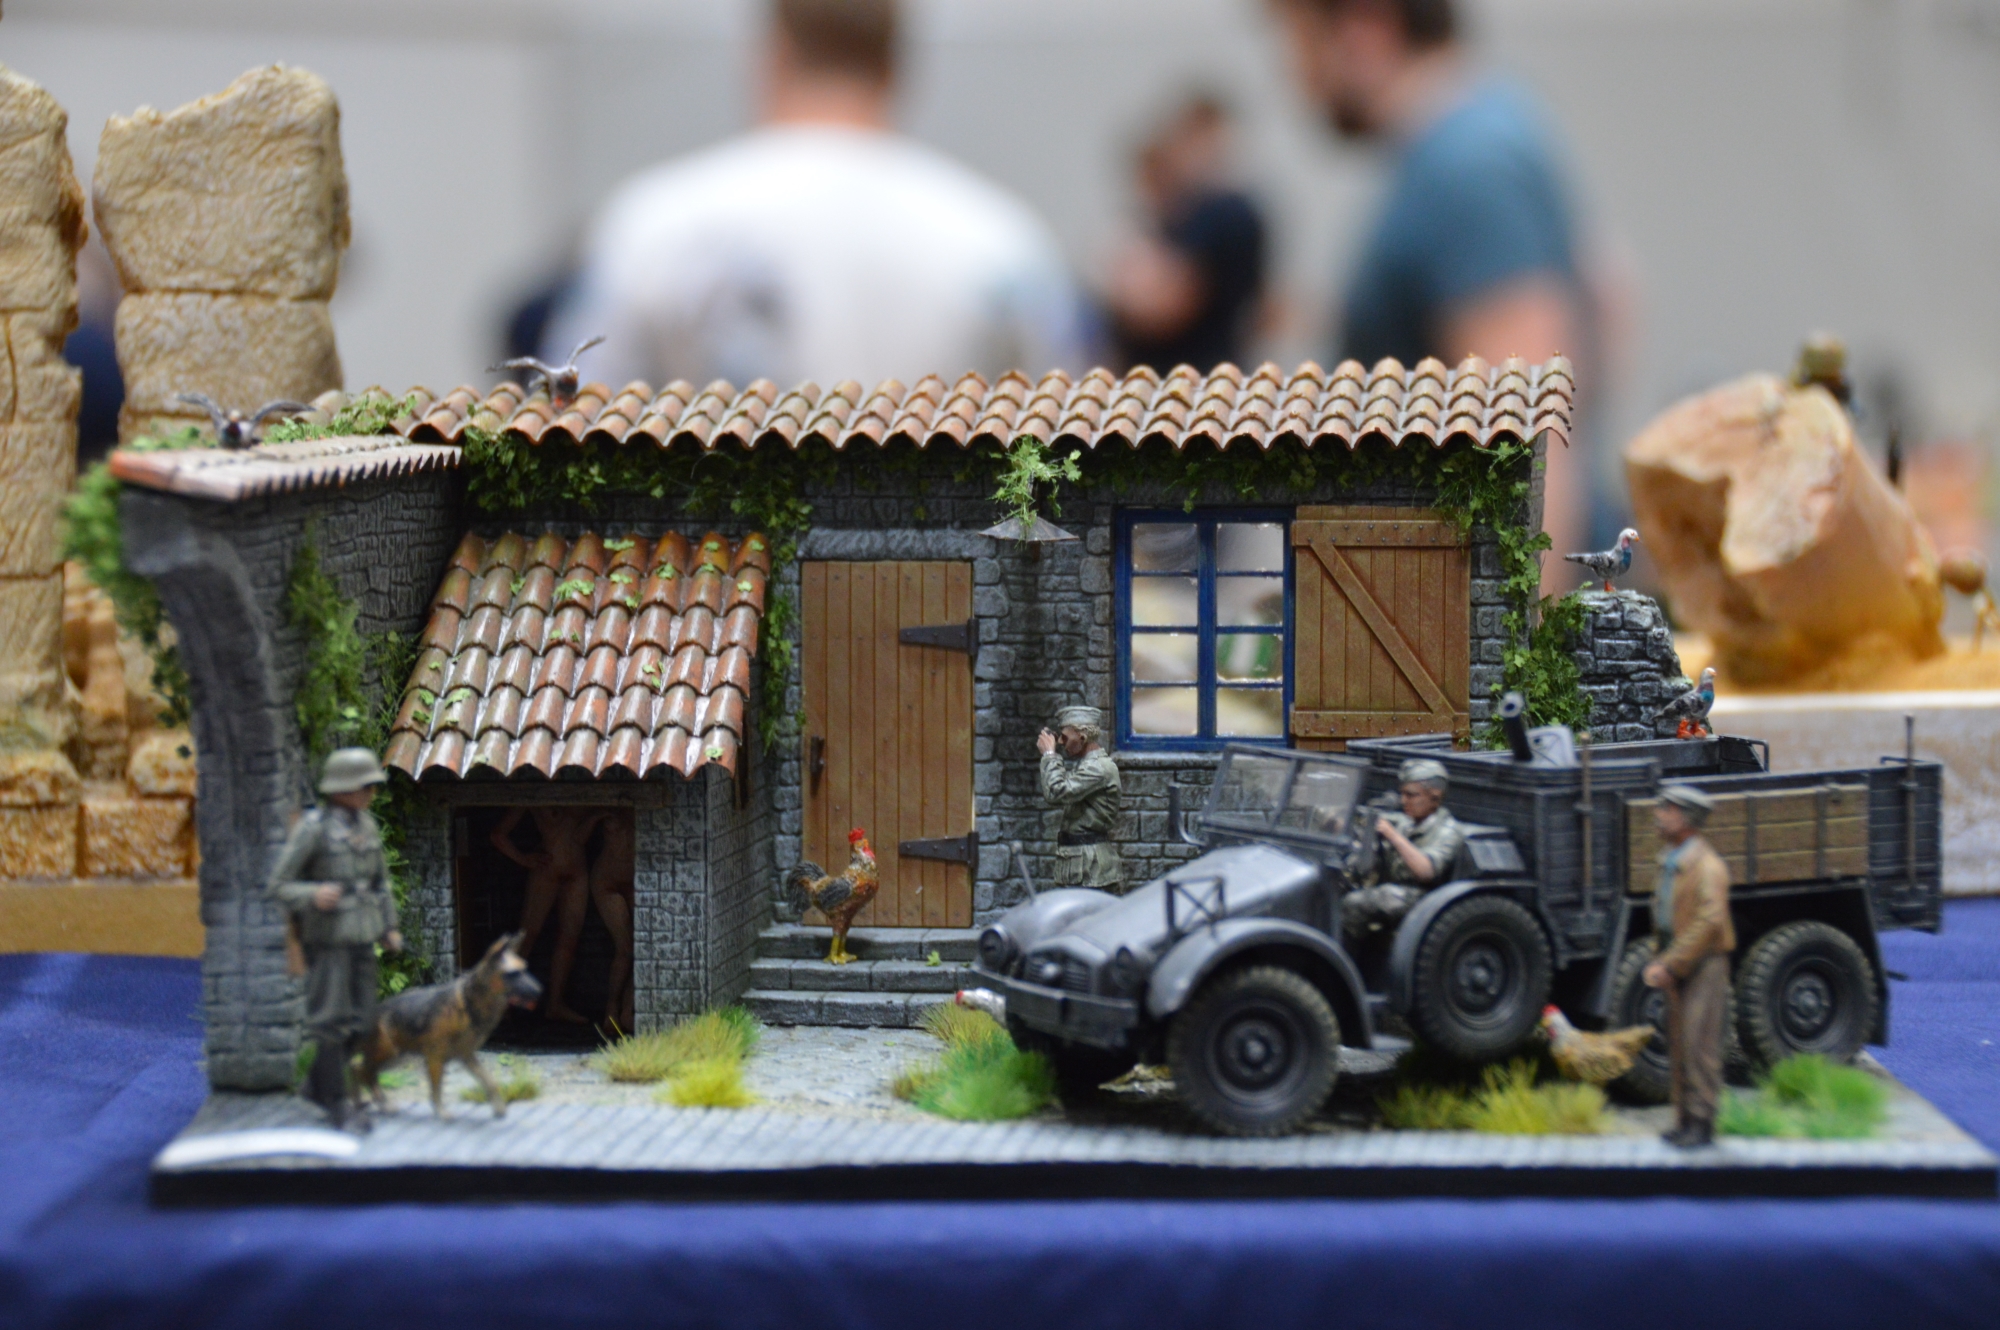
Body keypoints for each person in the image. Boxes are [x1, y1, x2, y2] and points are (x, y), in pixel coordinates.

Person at [546, 0, 1090, 392]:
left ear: (773, 54)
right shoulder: (1003, 243)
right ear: (896, 66)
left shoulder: (653, 225)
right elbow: (1068, 441)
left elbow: (572, 422)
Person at [1269, 0, 1592, 571]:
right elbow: (1613, 295)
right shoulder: (1484, 132)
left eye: (1296, 38)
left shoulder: (1466, 165)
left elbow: (1529, 450)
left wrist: (1522, 624)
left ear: (1366, 25)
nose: (1293, 73)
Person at [268, 748, 403, 1130]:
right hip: (327, 940)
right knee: (330, 1021)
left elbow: (380, 883)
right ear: (342, 788)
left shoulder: (368, 827)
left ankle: (315, 1087)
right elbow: (278, 885)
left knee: (363, 1022)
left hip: (362, 936)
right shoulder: (314, 828)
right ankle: (336, 1102)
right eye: (365, 786)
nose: (371, 793)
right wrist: (312, 894)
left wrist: (389, 927)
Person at [1106, 94, 1267, 374]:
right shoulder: (1180, 220)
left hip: (1194, 376)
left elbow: (1163, 306)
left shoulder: (1223, 214)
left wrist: (1121, 285)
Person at [1644, 783, 1735, 1149]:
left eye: (1666, 809)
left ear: (1686, 818)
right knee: (1680, 1045)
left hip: (1703, 965)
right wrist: (1664, 958)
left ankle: (1701, 1122)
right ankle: (1684, 1119)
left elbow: (1710, 921)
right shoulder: (1671, 860)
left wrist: (1671, 962)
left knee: (1700, 1045)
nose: (1658, 815)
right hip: (1679, 963)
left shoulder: (1707, 866)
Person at [489, 807, 607, 1026]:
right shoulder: (535, 793)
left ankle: (555, 1005)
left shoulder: (578, 794)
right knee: (527, 936)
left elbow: (584, 832)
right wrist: (523, 859)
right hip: (546, 869)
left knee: (569, 939)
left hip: (577, 872)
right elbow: (498, 835)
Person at [1342, 757, 1465, 939]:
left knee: (1357, 902)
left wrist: (1392, 835)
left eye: (1411, 795)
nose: (1403, 801)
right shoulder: (1407, 824)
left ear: (1435, 797)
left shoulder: (1448, 831)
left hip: (1427, 902)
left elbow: (1426, 871)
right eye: (1402, 794)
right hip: (1396, 891)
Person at [1036, 705, 1123, 891]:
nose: (1061, 742)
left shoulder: (1097, 768)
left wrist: (1050, 755)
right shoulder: (1087, 765)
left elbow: (1056, 792)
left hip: (1090, 867)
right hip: (1081, 862)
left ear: (1082, 738)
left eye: (1065, 737)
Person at [588, 809, 637, 1034]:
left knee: (641, 949)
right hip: (607, 882)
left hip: (634, 880)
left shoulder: (638, 807)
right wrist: (597, 816)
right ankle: (611, 1009)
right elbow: (578, 836)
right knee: (625, 948)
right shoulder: (607, 804)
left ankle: (627, 1012)